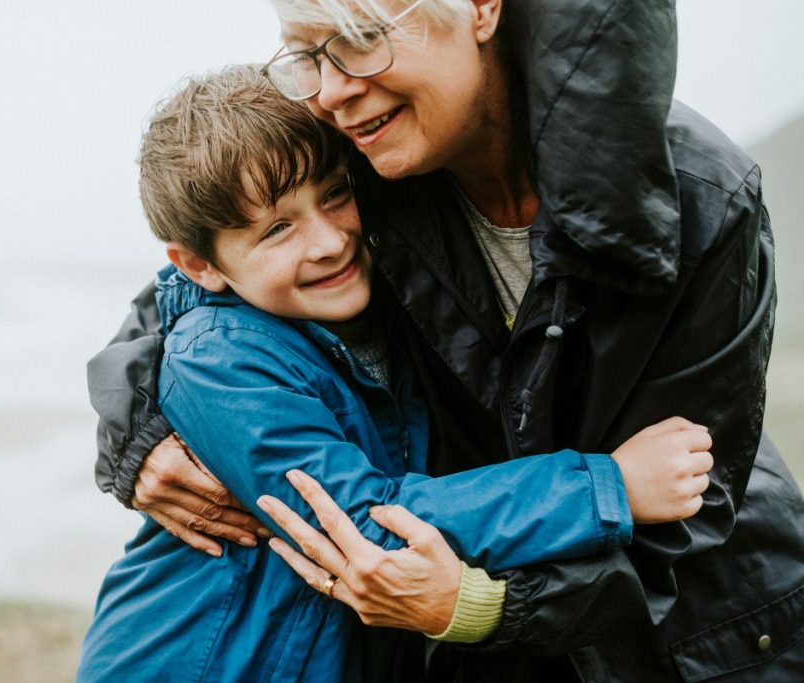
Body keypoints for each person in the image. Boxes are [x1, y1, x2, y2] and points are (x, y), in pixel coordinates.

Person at [88, 0, 804, 680]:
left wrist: (477, 605)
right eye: (309, 52)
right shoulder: (362, 146)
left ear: (482, 8)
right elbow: (210, 273)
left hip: (703, 634)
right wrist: (139, 420)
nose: (333, 89)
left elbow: (687, 501)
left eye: (364, 35)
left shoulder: (704, 199)